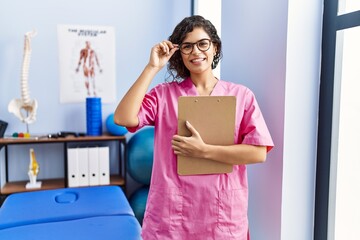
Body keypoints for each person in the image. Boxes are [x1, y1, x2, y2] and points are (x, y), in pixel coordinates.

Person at [114, 15, 274, 240]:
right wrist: (152, 67)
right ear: (179, 52)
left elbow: (258, 152)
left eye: (202, 44)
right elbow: (123, 118)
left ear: (215, 48)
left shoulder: (241, 96)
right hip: (172, 217)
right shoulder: (164, 95)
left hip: (222, 215)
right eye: (187, 47)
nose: (195, 52)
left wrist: (203, 150)